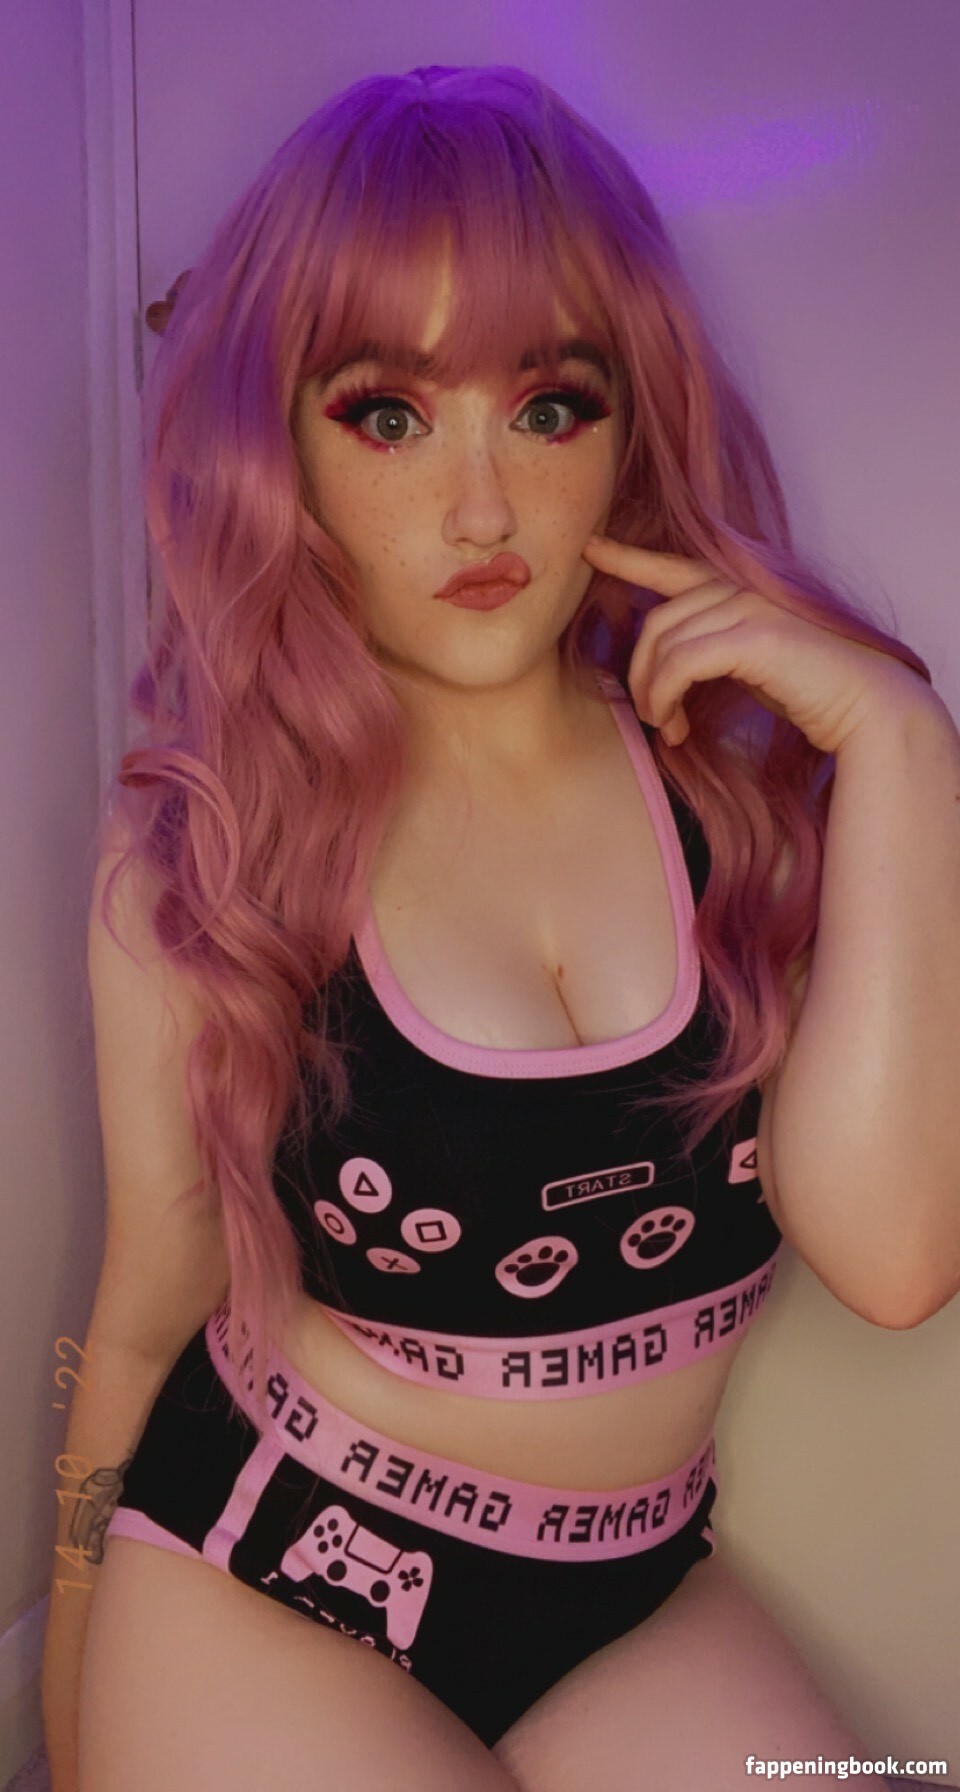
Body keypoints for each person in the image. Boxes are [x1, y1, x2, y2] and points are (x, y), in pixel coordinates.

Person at [45, 61, 954, 1792]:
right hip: (263, 1583)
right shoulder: (209, 842)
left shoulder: (743, 786)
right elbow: (150, 1303)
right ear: (282, 445)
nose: (480, 510)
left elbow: (899, 1263)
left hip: (632, 1588)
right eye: (387, 414)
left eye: (548, 407)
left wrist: (908, 752)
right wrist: (72, 1696)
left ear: (629, 425)